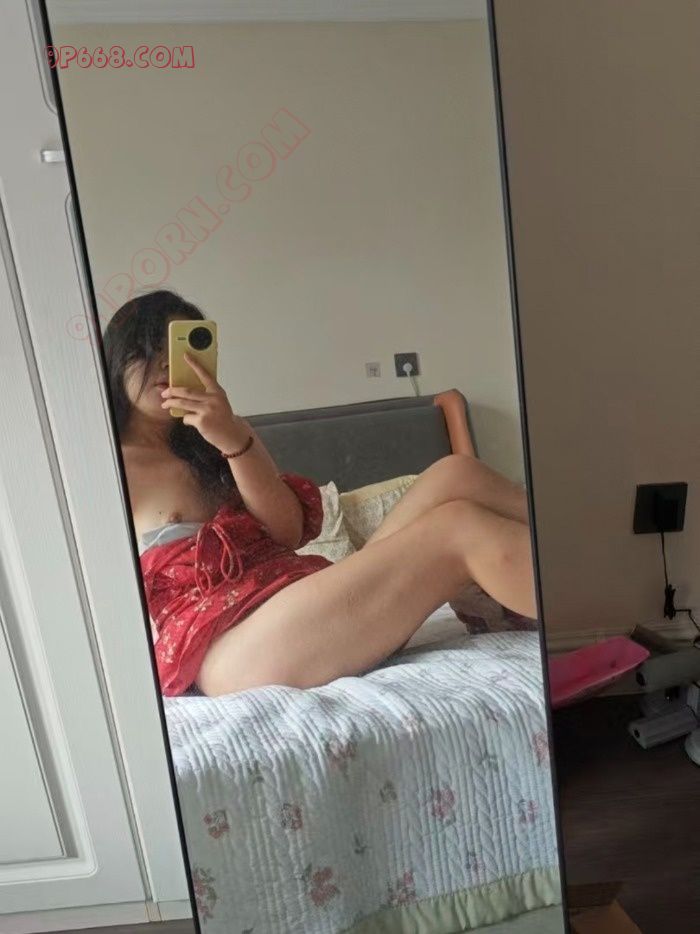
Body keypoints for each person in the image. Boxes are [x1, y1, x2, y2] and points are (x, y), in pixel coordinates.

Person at [106, 290, 535, 697]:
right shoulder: (108, 464)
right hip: (228, 643)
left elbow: (287, 532)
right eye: (148, 349)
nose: (166, 363)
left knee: (455, 473)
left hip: (303, 608)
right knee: (456, 528)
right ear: (116, 362)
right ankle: (572, 603)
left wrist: (233, 439)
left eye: (179, 347)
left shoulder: (219, 439)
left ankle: (562, 547)